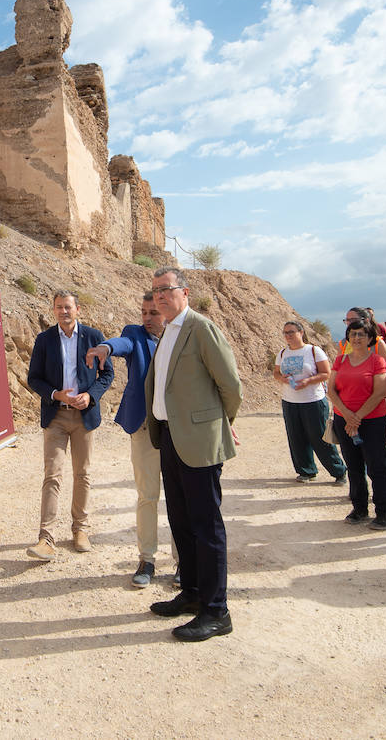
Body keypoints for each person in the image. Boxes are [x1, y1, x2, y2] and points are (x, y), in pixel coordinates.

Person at [144, 267, 242, 641]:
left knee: (206, 526)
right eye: (155, 292)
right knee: (182, 521)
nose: (159, 297)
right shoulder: (167, 330)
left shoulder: (200, 328)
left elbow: (231, 385)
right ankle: (193, 593)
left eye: (166, 290)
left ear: (184, 292)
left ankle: (217, 611)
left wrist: (218, 423)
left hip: (198, 441)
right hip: (170, 437)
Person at [85, 293, 168, 587]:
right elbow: (122, 343)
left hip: (177, 429)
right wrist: (106, 347)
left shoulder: (180, 337)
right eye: (144, 312)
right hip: (144, 426)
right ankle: (147, 558)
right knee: (148, 495)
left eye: (153, 313)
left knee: (180, 499)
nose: (147, 318)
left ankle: (185, 560)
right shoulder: (135, 333)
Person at [25, 290, 113, 561]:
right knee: (52, 473)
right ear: (53, 311)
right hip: (56, 416)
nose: (64, 311)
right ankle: (46, 538)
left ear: (77, 310)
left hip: (84, 417)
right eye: (59, 307)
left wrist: (91, 395)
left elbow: (107, 373)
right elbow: (34, 378)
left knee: (82, 474)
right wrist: (55, 394)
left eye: (68, 307)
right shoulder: (44, 340)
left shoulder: (94, 337)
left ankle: (80, 530)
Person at [326, 318, 386, 529]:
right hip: (344, 420)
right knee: (354, 467)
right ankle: (359, 508)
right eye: (353, 334)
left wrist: (357, 417)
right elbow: (331, 390)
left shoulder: (377, 362)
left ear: (371, 339)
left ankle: (384, 512)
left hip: (372, 420)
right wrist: (348, 416)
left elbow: (380, 392)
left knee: (376, 466)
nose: (356, 338)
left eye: (361, 334)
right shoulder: (340, 361)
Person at [273, 320, 346, 486]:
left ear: (301, 332)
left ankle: (339, 470)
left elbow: (326, 373)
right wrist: (282, 379)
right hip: (290, 401)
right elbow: (276, 373)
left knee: (319, 436)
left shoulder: (313, 351)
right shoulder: (283, 353)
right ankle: (306, 470)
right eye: (285, 333)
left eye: (291, 332)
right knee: (296, 437)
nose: (288, 336)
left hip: (312, 400)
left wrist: (308, 381)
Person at [339, 306, 386, 504]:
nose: (349, 323)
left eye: (353, 319)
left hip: (373, 409)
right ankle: (359, 496)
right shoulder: (343, 345)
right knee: (353, 456)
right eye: (346, 321)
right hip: (348, 411)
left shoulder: (378, 344)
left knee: (380, 451)